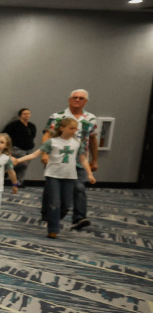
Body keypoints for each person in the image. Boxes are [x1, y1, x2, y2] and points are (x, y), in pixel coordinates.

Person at [30, 116, 95, 239]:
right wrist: (18, 160)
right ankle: (53, 229)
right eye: (71, 128)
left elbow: (83, 159)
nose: (74, 131)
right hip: (53, 175)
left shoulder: (77, 143)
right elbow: (36, 153)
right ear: (62, 128)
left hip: (69, 176)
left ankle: (52, 217)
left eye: (76, 129)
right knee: (54, 203)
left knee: (66, 205)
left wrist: (90, 174)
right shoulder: (53, 141)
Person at [42, 90, 99, 229]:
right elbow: (47, 135)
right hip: (58, 159)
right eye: (75, 97)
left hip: (79, 160)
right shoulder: (57, 116)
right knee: (53, 190)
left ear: (86, 101)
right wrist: (45, 154)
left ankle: (79, 218)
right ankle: (48, 215)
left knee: (79, 187)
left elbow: (92, 139)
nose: (77, 100)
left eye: (81, 98)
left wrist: (94, 160)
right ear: (69, 99)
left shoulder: (91, 118)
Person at [3, 108, 36, 185]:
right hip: (17, 148)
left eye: (28, 113)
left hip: (29, 148)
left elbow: (33, 136)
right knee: (22, 164)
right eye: (25, 114)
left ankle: (18, 182)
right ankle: (7, 169)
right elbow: (5, 134)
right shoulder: (14, 125)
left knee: (24, 166)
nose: (27, 115)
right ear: (20, 115)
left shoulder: (31, 126)